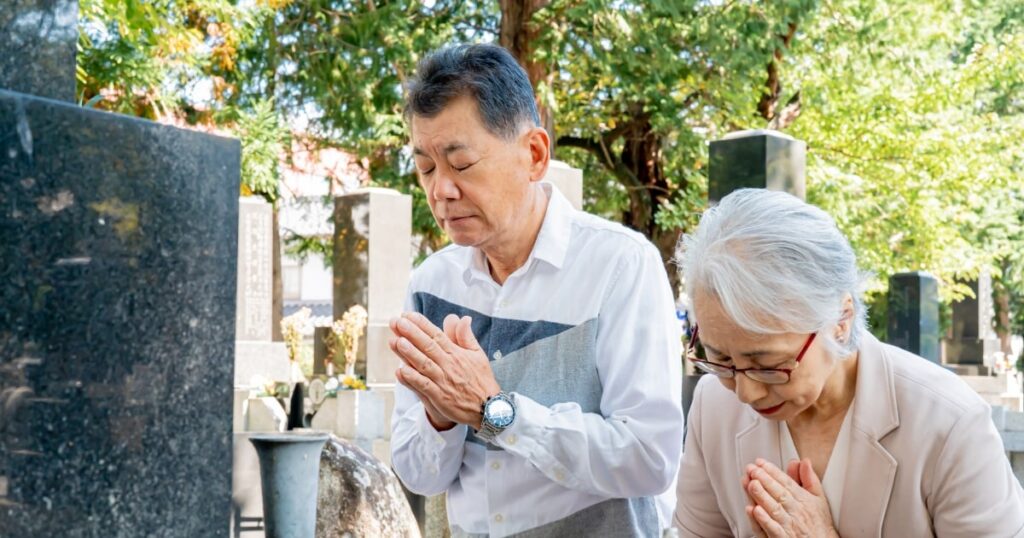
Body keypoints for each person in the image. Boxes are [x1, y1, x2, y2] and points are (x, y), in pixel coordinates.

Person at [388, 43, 683, 537]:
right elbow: (420, 476)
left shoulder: (619, 266)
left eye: (460, 164)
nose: (441, 189)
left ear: (534, 154)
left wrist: (495, 411)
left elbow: (650, 458)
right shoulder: (430, 285)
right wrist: (441, 417)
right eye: (425, 167)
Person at [672, 188, 1024, 537]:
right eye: (719, 359)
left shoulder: (948, 423)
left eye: (767, 364)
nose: (745, 392)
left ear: (840, 320)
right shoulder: (714, 406)